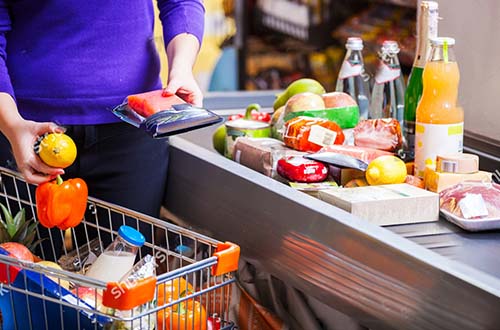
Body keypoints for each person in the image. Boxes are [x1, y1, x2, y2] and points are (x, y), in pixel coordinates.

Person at [0, 0, 205, 218]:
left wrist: (182, 68)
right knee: (25, 251)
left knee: (126, 251)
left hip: (132, 127)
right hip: (24, 129)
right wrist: (12, 125)